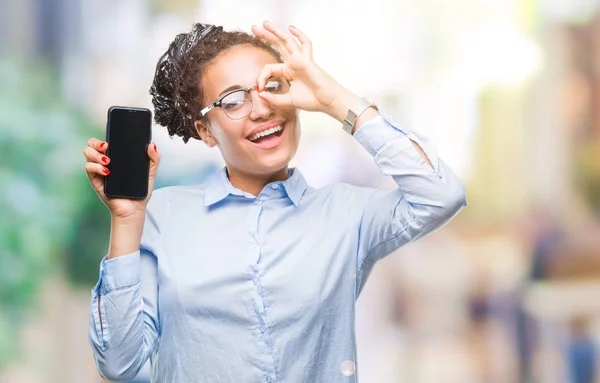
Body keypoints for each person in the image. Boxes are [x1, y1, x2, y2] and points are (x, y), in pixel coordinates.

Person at [84, 21, 467, 382]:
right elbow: (120, 363)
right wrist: (128, 218)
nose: (261, 108)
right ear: (206, 131)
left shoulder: (347, 214)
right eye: (233, 100)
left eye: (272, 86)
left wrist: (333, 99)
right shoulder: (164, 215)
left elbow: (440, 195)